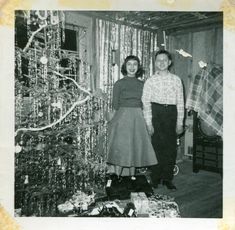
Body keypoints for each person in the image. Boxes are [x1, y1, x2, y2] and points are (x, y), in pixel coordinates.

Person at [106, 55, 158, 180]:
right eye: (129, 64)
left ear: (138, 67)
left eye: (135, 64)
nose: (132, 67)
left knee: (134, 148)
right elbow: (115, 105)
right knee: (122, 149)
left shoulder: (143, 84)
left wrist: (147, 122)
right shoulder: (119, 84)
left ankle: (131, 180)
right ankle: (118, 179)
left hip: (138, 118)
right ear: (125, 66)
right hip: (122, 118)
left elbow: (145, 104)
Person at [142, 50, 184, 190]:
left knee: (170, 148)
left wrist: (179, 122)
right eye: (158, 60)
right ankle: (155, 178)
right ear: (155, 63)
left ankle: (167, 179)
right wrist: (148, 123)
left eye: (164, 60)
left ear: (169, 62)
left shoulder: (176, 80)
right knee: (156, 147)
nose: (161, 63)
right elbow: (146, 103)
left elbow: (181, 103)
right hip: (156, 113)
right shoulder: (150, 81)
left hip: (171, 114)